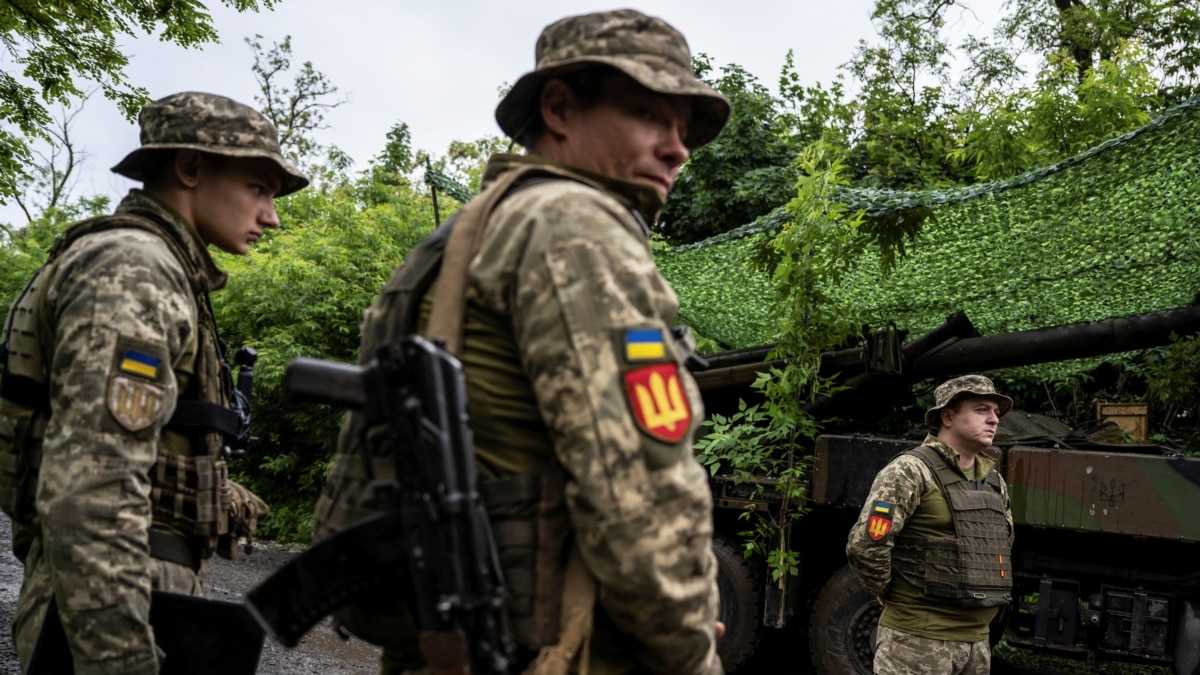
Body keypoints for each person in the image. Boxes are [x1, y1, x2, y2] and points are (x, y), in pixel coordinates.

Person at [312, 9, 730, 675]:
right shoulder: (574, 225)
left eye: (684, 128)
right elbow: (638, 489)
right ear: (560, 108)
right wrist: (690, 653)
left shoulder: (465, 236)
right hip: (550, 651)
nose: (679, 148)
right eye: (651, 115)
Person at [0, 91, 307, 674]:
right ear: (190, 168)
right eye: (258, 189)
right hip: (115, 602)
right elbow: (92, 488)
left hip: (136, 589)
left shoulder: (158, 266)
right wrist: (121, 657)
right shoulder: (134, 269)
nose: (271, 216)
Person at [846, 375, 1015, 675]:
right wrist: (887, 590)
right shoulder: (910, 470)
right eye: (981, 409)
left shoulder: (993, 481)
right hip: (916, 642)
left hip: (976, 645)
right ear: (947, 416)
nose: (993, 420)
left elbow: (1003, 544)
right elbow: (867, 544)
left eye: (996, 413)